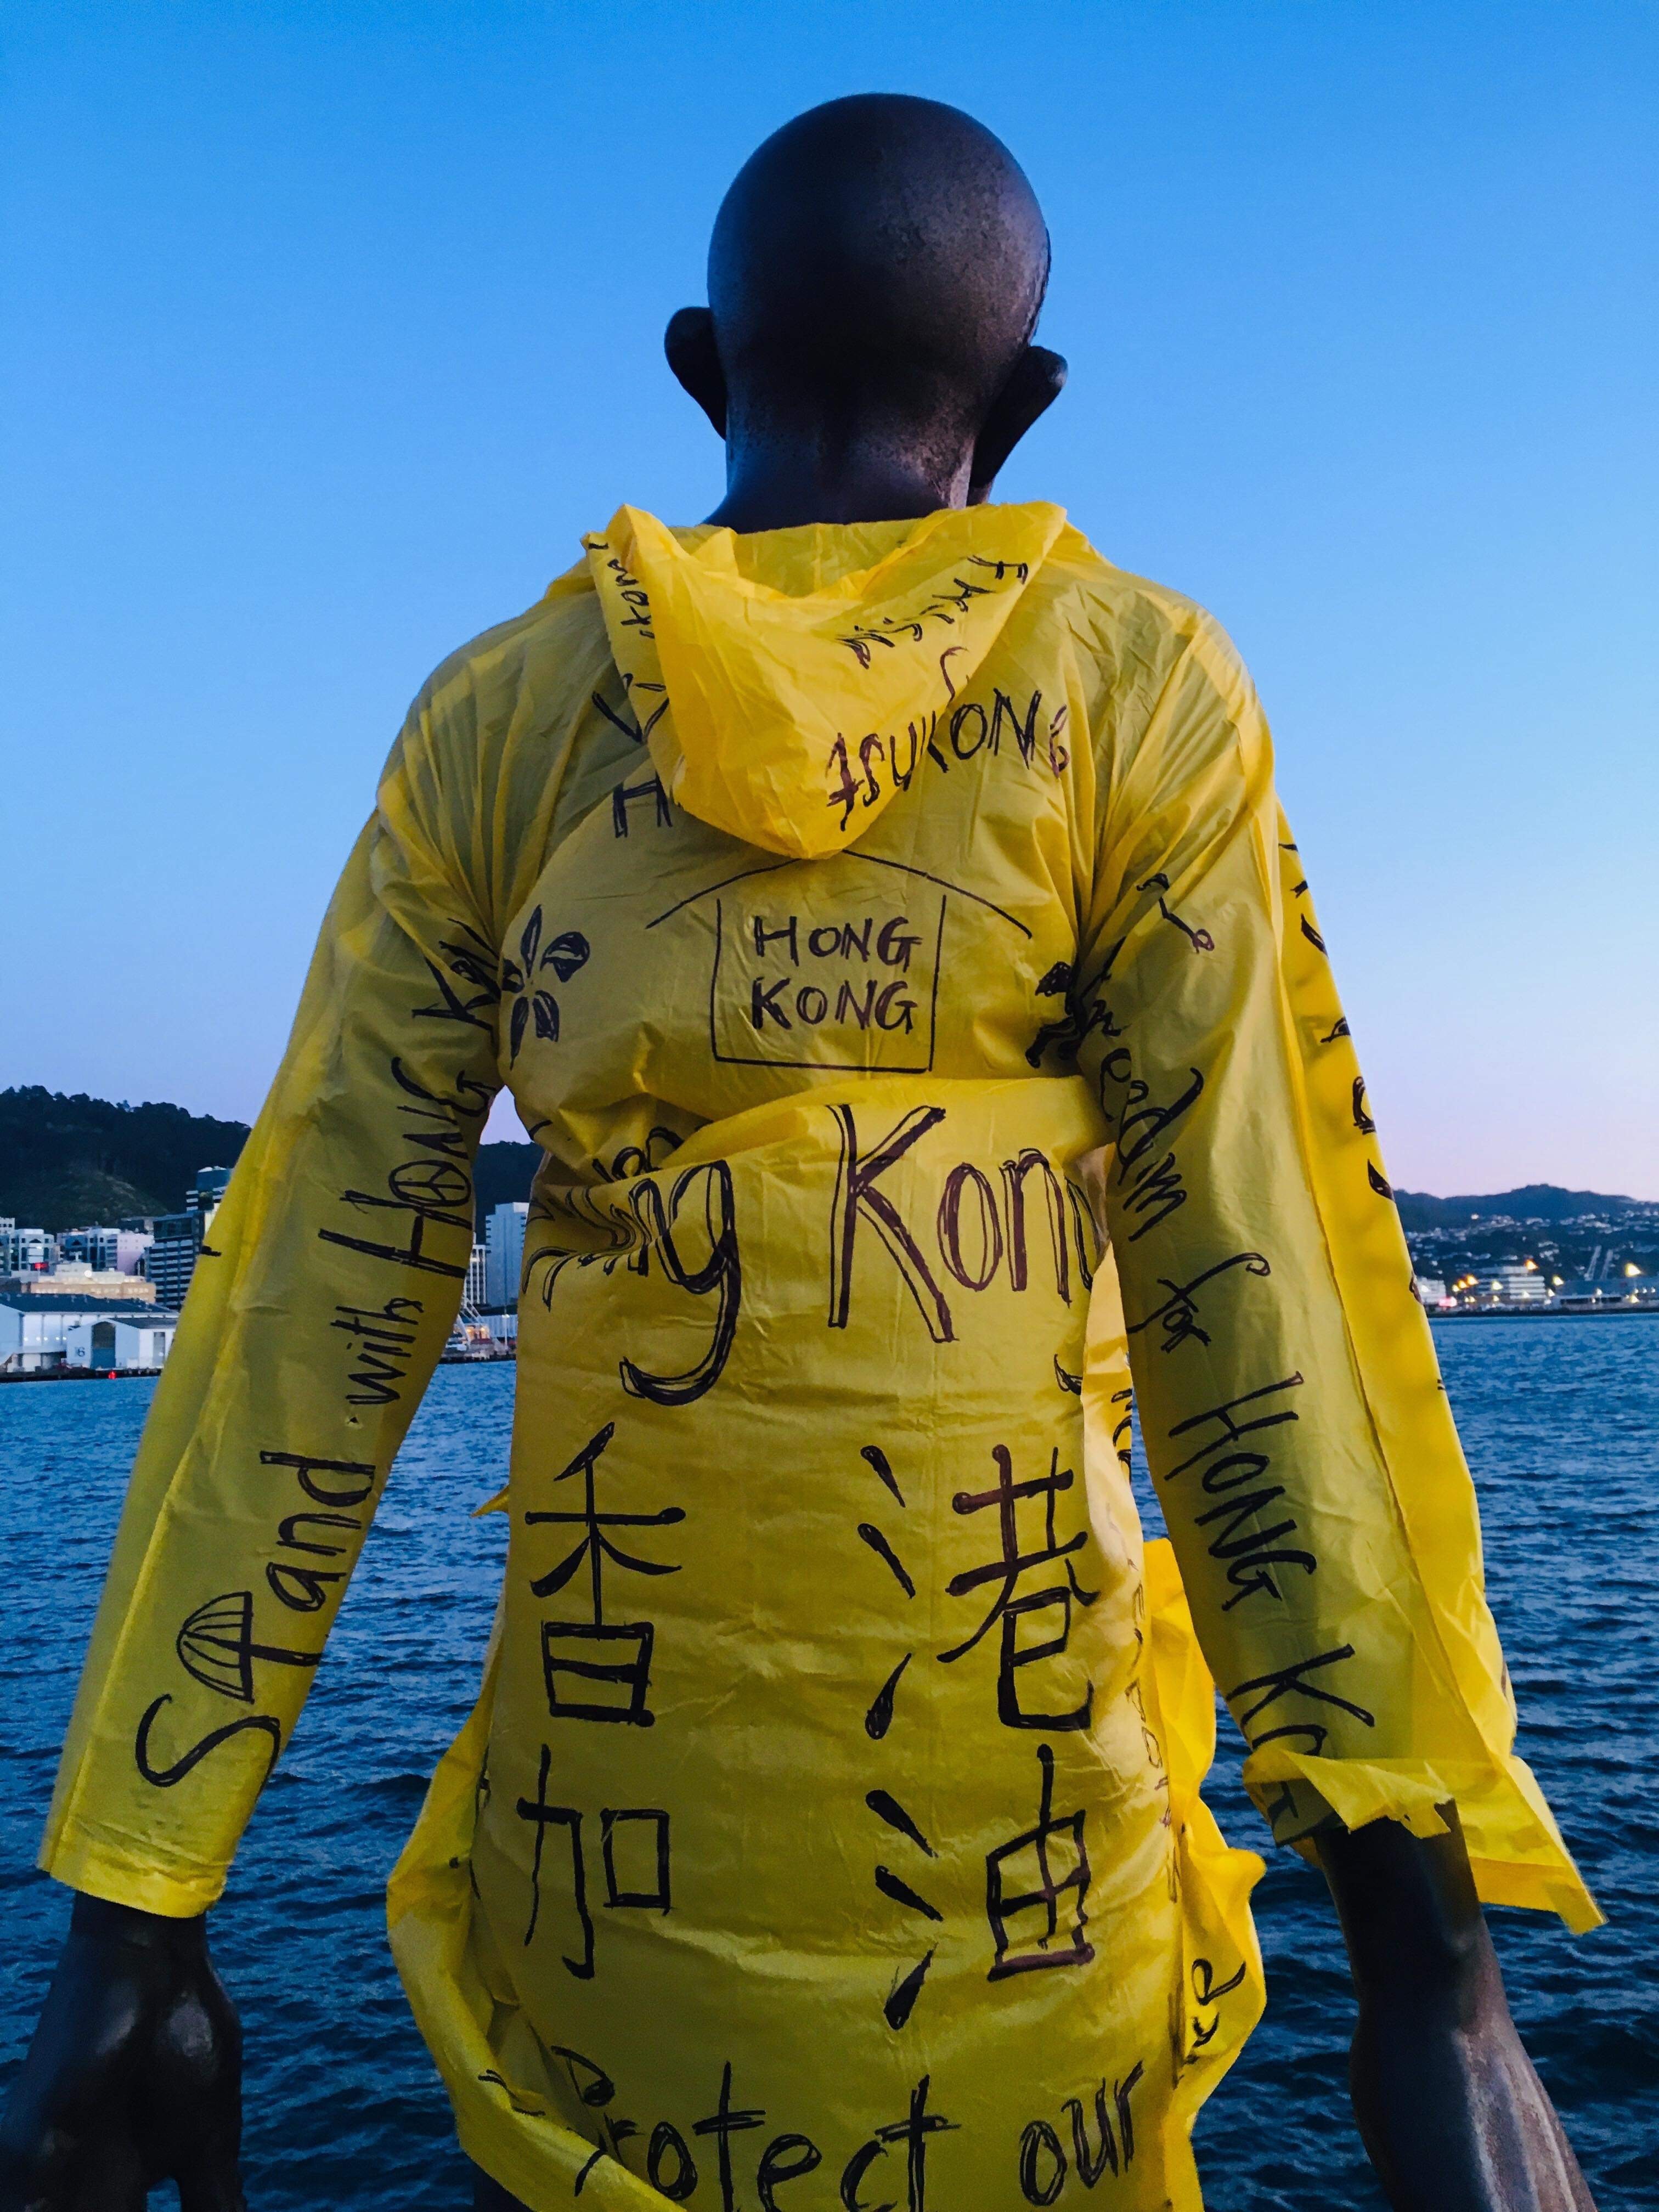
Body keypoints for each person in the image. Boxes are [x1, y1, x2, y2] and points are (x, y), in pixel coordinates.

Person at [1, 94, 1600, 2212]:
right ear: (1023, 402)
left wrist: (138, 1914)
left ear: (699, 361)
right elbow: (1263, 1298)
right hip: (1031, 1974)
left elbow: (309, 1281)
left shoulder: (499, 722)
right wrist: (1440, 1988)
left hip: (598, 1969)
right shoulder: (1139, 694)